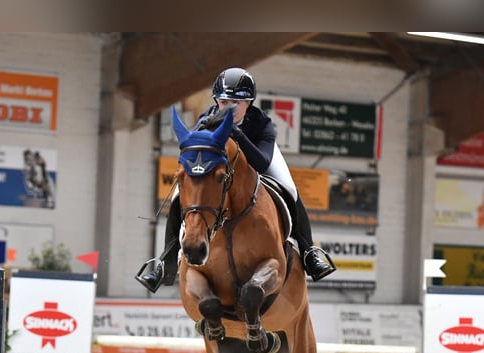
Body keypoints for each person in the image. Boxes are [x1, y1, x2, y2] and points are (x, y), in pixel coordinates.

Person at [136, 67, 336, 293]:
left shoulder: (261, 123)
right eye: (223, 102)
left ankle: (310, 254)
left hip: (258, 163)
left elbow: (261, 163)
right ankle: (164, 262)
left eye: (236, 103)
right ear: (216, 101)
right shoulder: (206, 120)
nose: (228, 108)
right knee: (177, 197)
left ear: (249, 102)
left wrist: (235, 133)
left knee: (290, 189)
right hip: (222, 171)